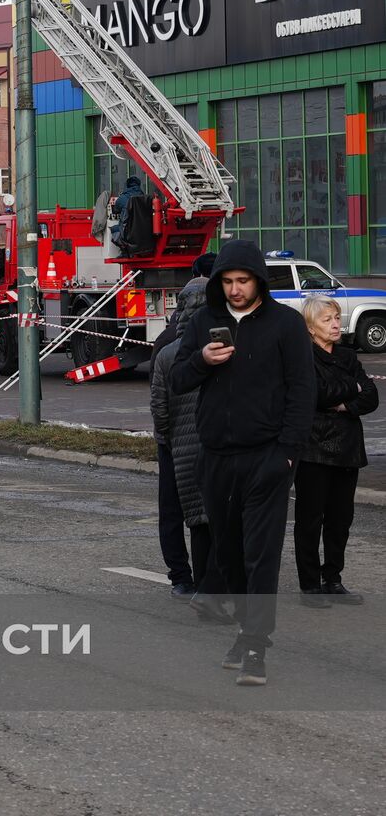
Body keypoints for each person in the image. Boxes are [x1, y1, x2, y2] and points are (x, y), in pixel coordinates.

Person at [169, 239, 315, 687]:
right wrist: (202, 360)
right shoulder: (203, 322)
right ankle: (242, 631)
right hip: (216, 459)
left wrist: (287, 453)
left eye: (243, 281)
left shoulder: (285, 325)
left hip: (267, 457)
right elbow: (176, 380)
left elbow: (302, 391)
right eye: (228, 282)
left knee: (261, 555)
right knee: (228, 555)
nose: (235, 290)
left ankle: (256, 645)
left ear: (258, 281)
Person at [149, 277, 233, 622]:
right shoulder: (223, 344)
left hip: (175, 447)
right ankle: (214, 586)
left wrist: (166, 440)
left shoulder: (166, 346)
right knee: (216, 516)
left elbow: (159, 405)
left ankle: (186, 580)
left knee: (183, 514)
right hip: (215, 443)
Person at [294, 295, 378, 608]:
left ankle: (333, 578)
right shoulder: (304, 357)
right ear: (310, 327)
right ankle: (310, 583)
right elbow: (317, 394)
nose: (335, 324)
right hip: (314, 448)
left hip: (347, 448)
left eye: (336, 317)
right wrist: (352, 389)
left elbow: (371, 396)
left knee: (341, 518)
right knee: (310, 517)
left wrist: (346, 400)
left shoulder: (347, 356)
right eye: (327, 319)